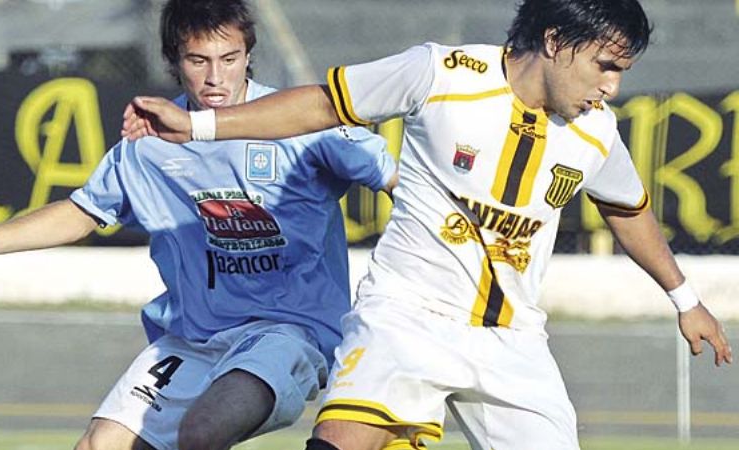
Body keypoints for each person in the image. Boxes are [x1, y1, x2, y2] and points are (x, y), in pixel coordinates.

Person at [120, 0, 734, 449]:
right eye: (604, 65)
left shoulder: (596, 131)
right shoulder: (441, 74)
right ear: (555, 41)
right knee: (339, 442)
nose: (612, 86)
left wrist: (685, 299)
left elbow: (628, 210)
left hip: (513, 343)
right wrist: (199, 127)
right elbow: (320, 105)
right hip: (405, 318)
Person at [0, 1, 396, 449]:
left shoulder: (297, 121)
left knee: (202, 432)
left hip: (289, 332)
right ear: (175, 62)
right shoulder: (150, 143)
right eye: (199, 60)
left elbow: (399, 181)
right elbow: (85, 212)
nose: (216, 77)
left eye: (229, 59)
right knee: (100, 444)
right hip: (195, 338)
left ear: (248, 56)